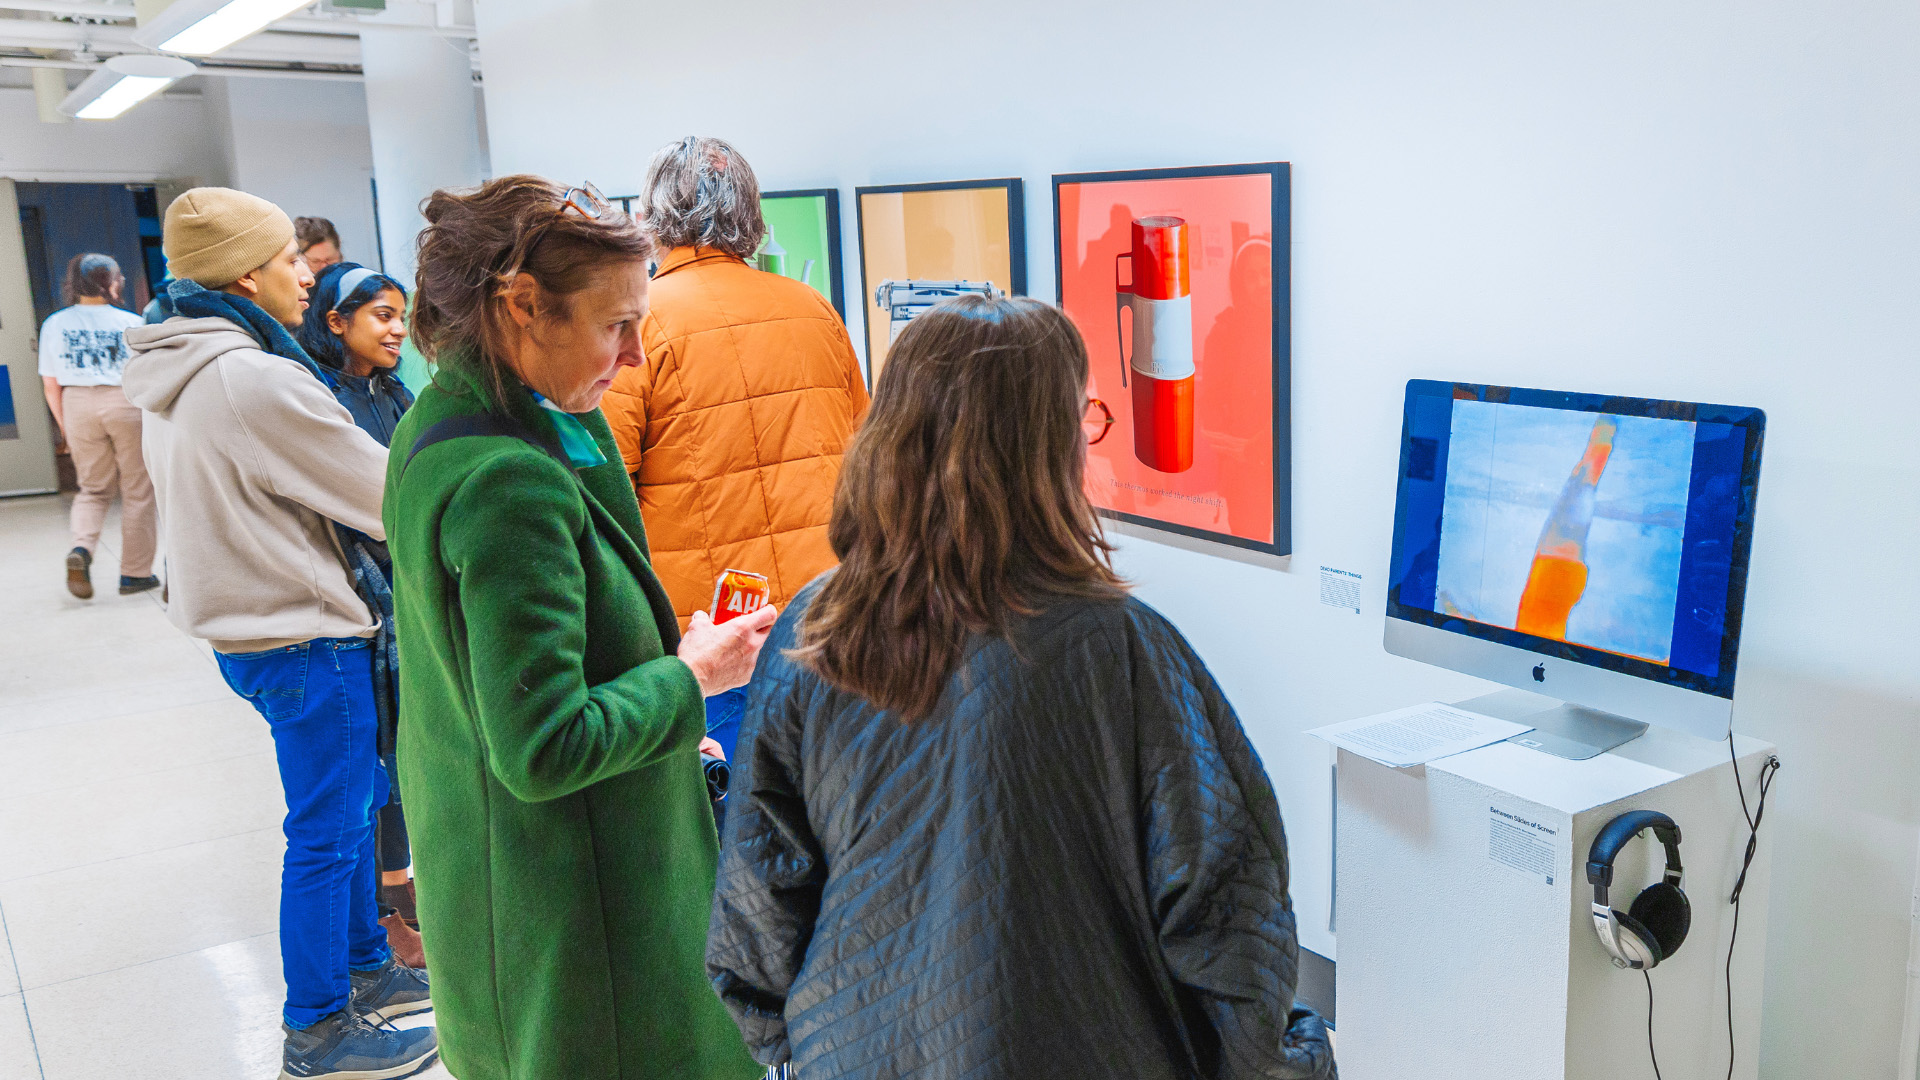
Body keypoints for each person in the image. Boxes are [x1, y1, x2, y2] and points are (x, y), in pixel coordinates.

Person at [705, 296, 1338, 1080]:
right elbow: (1228, 925)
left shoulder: (817, 630)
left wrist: (812, 1051)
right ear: (1041, 449)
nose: (1087, 442)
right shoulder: (1124, 650)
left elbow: (755, 916)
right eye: (1083, 418)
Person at [385, 174, 773, 1080]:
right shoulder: (506, 480)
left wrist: (641, 646)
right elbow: (545, 743)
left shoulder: (451, 420)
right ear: (523, 307)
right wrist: (690, 677)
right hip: (579, 905)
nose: (637, 355)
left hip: (508, 873)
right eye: (616, 326)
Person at [122, 188, 437, 1080]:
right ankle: (317, 1026)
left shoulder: (171, 365)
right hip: (305, 634)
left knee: (352, 804)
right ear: (244, 273)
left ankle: (367, 973)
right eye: (290, 259)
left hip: (248, 634)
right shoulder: (252, 376)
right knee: (331, 832)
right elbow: (388, 496)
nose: (307, 274)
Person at [601, 136, 867, 774]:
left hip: (715, 635)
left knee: (733, 831)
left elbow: (606, 492)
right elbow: (866, 457)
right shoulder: (813, 308)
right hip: (825, 616)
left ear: (652, 218)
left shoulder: (640, 322)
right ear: (751, 212)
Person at [297, 260, 424, 967]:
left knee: (407, 750)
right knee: (379, 758)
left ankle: (404, 897)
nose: (396, 327)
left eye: (400, 314)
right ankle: (385, 914)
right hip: (365, 598)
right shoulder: (323, 398)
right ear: (335, 322)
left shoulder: (393, 391)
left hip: (406, 585)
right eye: (379, 314)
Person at [36, 253, 158, 599]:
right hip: (124, 402)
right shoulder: (131, 322)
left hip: (76, 404)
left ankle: (82, 550)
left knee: (92, 489)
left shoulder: (55, 324)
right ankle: (135, 574)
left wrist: (66, 429)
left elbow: (50, 384)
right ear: (112, 282)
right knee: (137, 489)